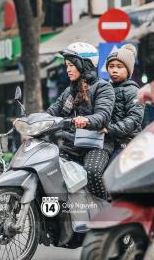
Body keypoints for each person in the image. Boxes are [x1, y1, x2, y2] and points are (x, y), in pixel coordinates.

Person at [46, 42, 115, 200]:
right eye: (66, 65)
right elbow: (52, 112)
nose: (68, 69)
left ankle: (106, 209)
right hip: (71, 146)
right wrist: (33, 121)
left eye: (71, 65)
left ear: (85, 65)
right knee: (47, 169)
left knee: (92, 171)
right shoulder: (69, 92)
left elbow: (103, 115)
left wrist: (86, 120)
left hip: (97, 146)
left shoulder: (103, 87)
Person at [103, 44, 145, 161]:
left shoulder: (133, 90)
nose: (114, 70)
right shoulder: (105, 89)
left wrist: (110, 129)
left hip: (127, 143)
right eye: (111, 66)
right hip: (108, 143)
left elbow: (135, 118)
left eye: (119, 66)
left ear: (128, 70)